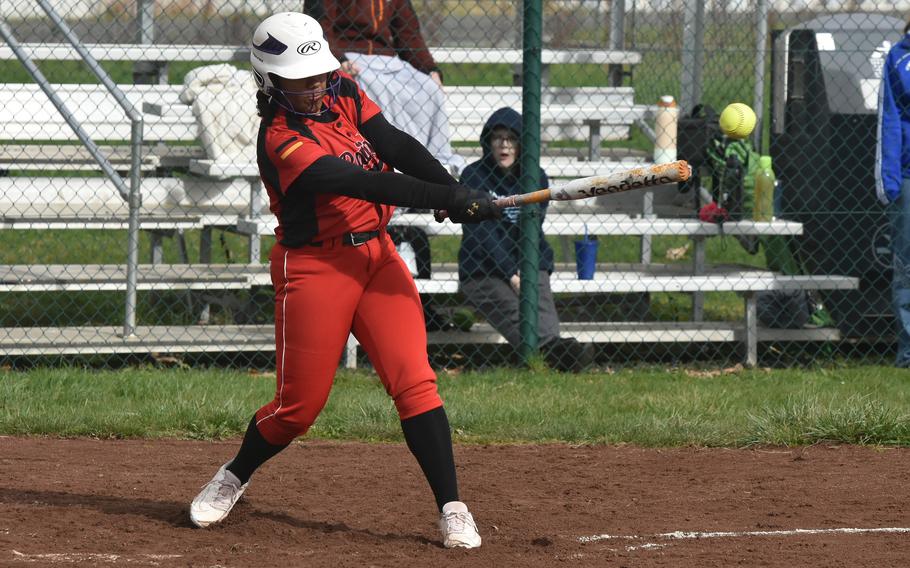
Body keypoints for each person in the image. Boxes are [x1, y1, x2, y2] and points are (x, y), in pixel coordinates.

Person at [188, 12, 500, 548]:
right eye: (300, 77)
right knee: (298, 410)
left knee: (415, 382)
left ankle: (452, 506)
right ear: (269, 81)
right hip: (314, 270)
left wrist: (450, 187)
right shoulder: (280, 140)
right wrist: (445, 198)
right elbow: (363, 180)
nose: (314, 86)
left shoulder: (344, 93)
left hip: (376, 259)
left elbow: (395, 146)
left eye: (317, 72)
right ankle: (235, 473)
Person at [457, 107, 594, 372]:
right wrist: (511, 273)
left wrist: (526, 268)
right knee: (514, 312)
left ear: (522, 143)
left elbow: (532, 229)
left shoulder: (535, 176)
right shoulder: (473, 175)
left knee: (543, 314)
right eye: (497, 137)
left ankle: (553, 354)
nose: (504, 144)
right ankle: (560, 354)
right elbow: (482, 234)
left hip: (527, 260)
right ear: (489, 142)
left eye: (511, 138)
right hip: (482, 269)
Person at [303, 0, 466, 175]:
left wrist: (430, 69)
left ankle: (432, 160)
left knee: (430, 88)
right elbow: (320, 26)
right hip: (348, 55)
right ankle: (392, 159)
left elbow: (409, 35)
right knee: (375, 84)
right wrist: (339, 58)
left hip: (388, 59)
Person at [876, 19, 910, 368]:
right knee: (907, 266)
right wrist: (891, 179)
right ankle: (909, 352)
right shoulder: (898, 58)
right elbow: (890, 120)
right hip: (908, 176)